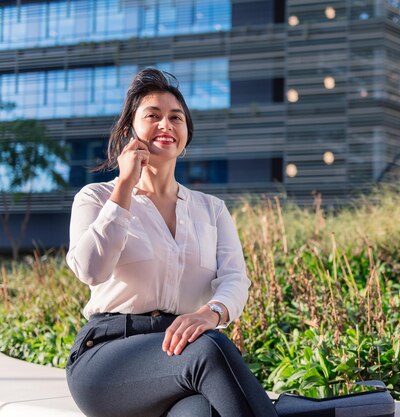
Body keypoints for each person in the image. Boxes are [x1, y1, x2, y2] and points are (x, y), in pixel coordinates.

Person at [65, 68, 278, 417]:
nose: (166, 124)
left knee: (201, 412)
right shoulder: (97, 198)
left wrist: (212, 312)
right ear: (128, 131)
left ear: (186, 133)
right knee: (212, 348)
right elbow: (91, 270)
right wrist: (124, 187)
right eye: (153, 115)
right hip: (108, 356)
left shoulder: (211, 209)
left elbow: (235, 279)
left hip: (179, 354)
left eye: (175, 117)